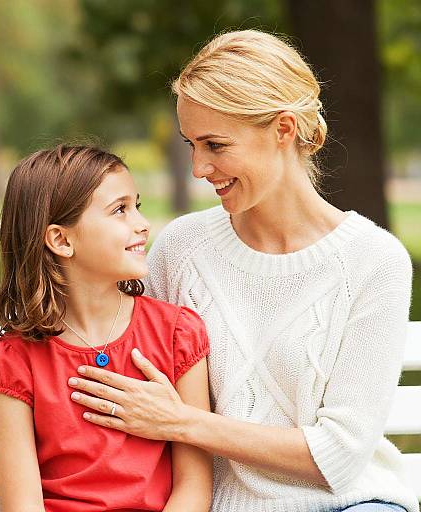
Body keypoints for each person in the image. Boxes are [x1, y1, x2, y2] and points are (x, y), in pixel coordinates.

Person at [66, 30, 419, 512]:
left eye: (215, 144)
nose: (197, 167)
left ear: (284, 129)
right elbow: (109, 357)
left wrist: (181, 422)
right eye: (190, 144)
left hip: (351, 504)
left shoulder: (374, 260)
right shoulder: (181, 248)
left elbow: (339, 453)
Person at [0, 144, 212, 512]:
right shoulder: (14, 360)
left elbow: (194, 488)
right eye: (120, 210)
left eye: (137, 205)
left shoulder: (176, 334)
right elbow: (22, 505)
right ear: (61, 240)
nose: (142, 223)